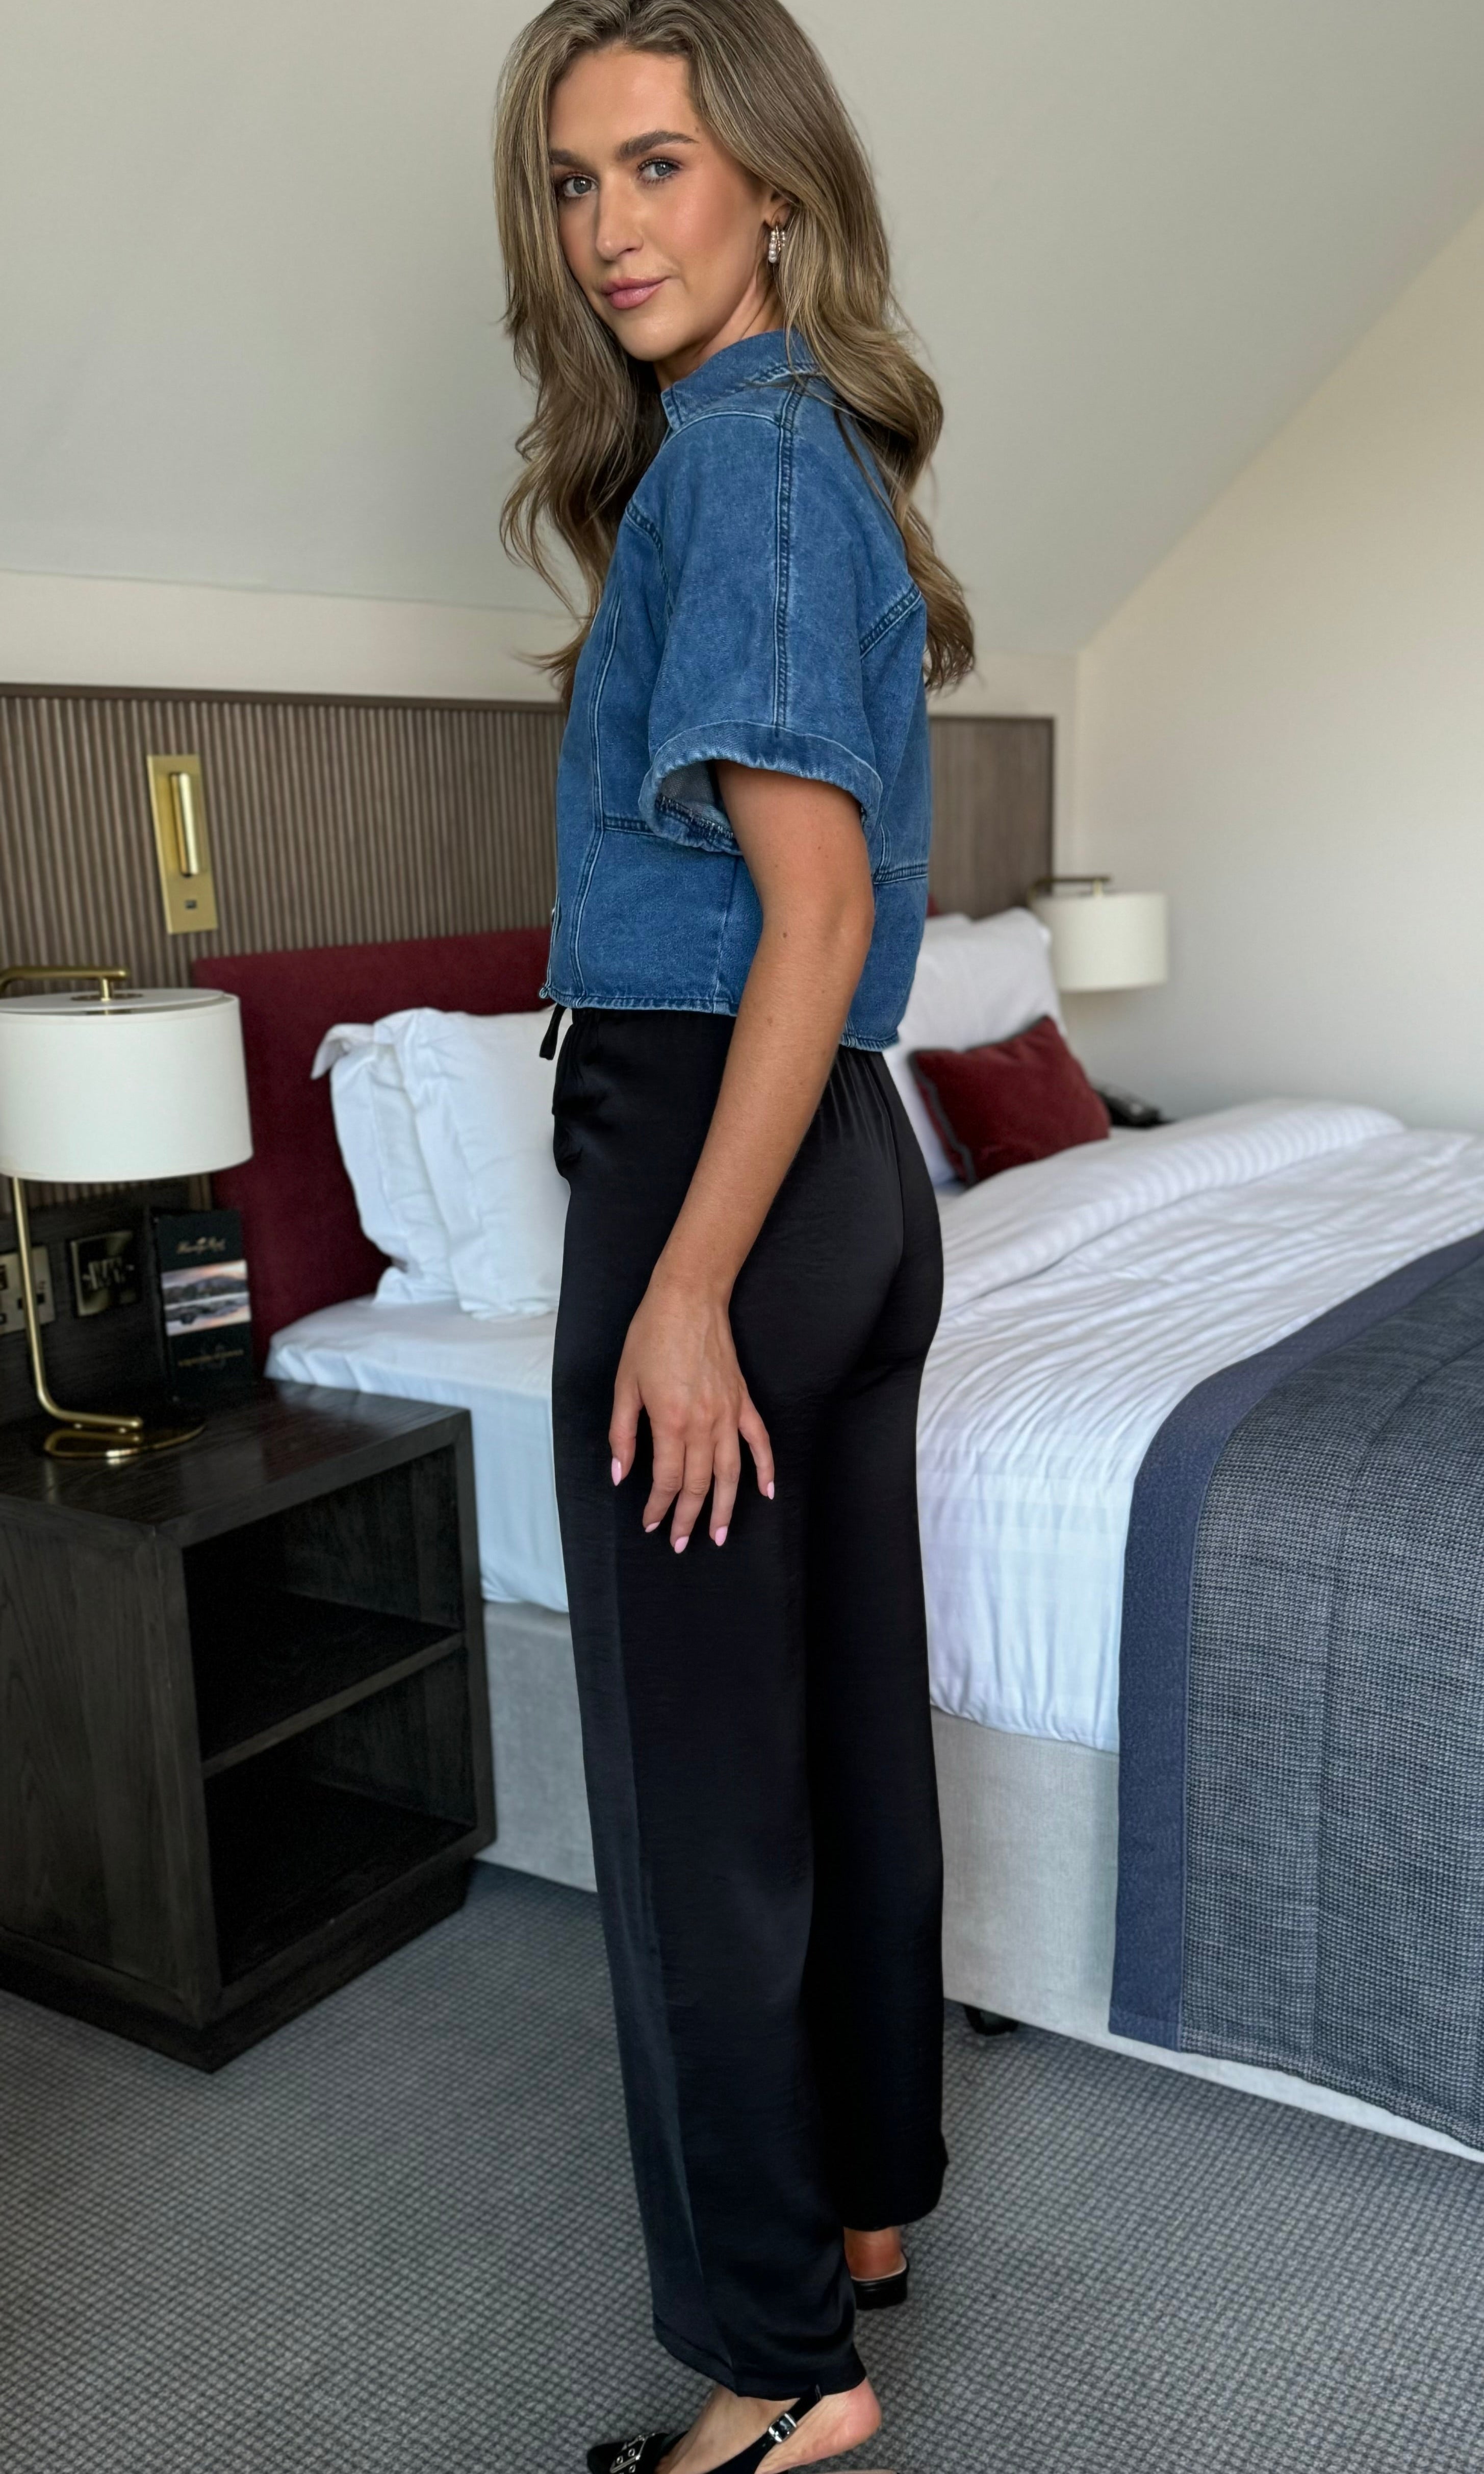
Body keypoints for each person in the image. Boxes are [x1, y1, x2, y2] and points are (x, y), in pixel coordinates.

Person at [493, 4, 974, 2466]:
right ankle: (859, 2207)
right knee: (838, 1735)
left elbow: (810, 907)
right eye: (574, 182)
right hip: (842, 1174)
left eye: (659, 164)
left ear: (771, 184)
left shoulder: (749, 465)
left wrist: (677, 1285)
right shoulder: (791, 458)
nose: (610, 229)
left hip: (722, 1157)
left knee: (700, 1812)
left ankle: (778, 2371)